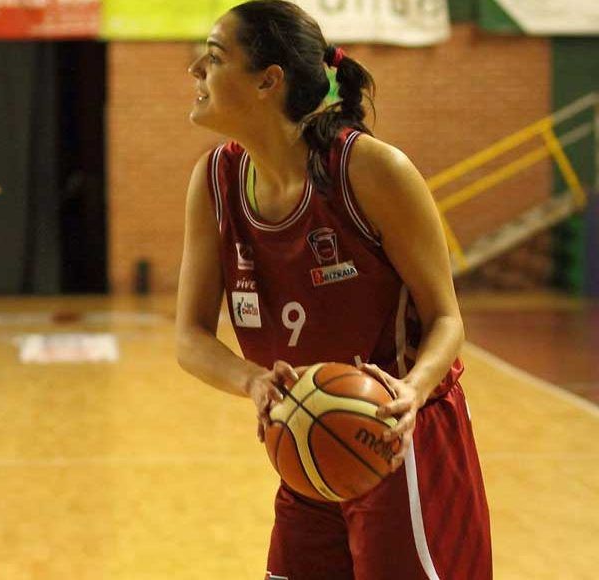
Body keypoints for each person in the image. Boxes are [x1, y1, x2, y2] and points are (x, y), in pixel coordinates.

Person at [173, 2, 491, 578]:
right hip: (306, 438)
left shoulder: (370, 170)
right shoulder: (214, 182)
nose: (196, 68)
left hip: (399, 441)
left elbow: (447, 317)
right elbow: (189, 338)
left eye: (215, 58)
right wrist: (253, 380)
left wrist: (412, 392)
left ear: (268, 81)